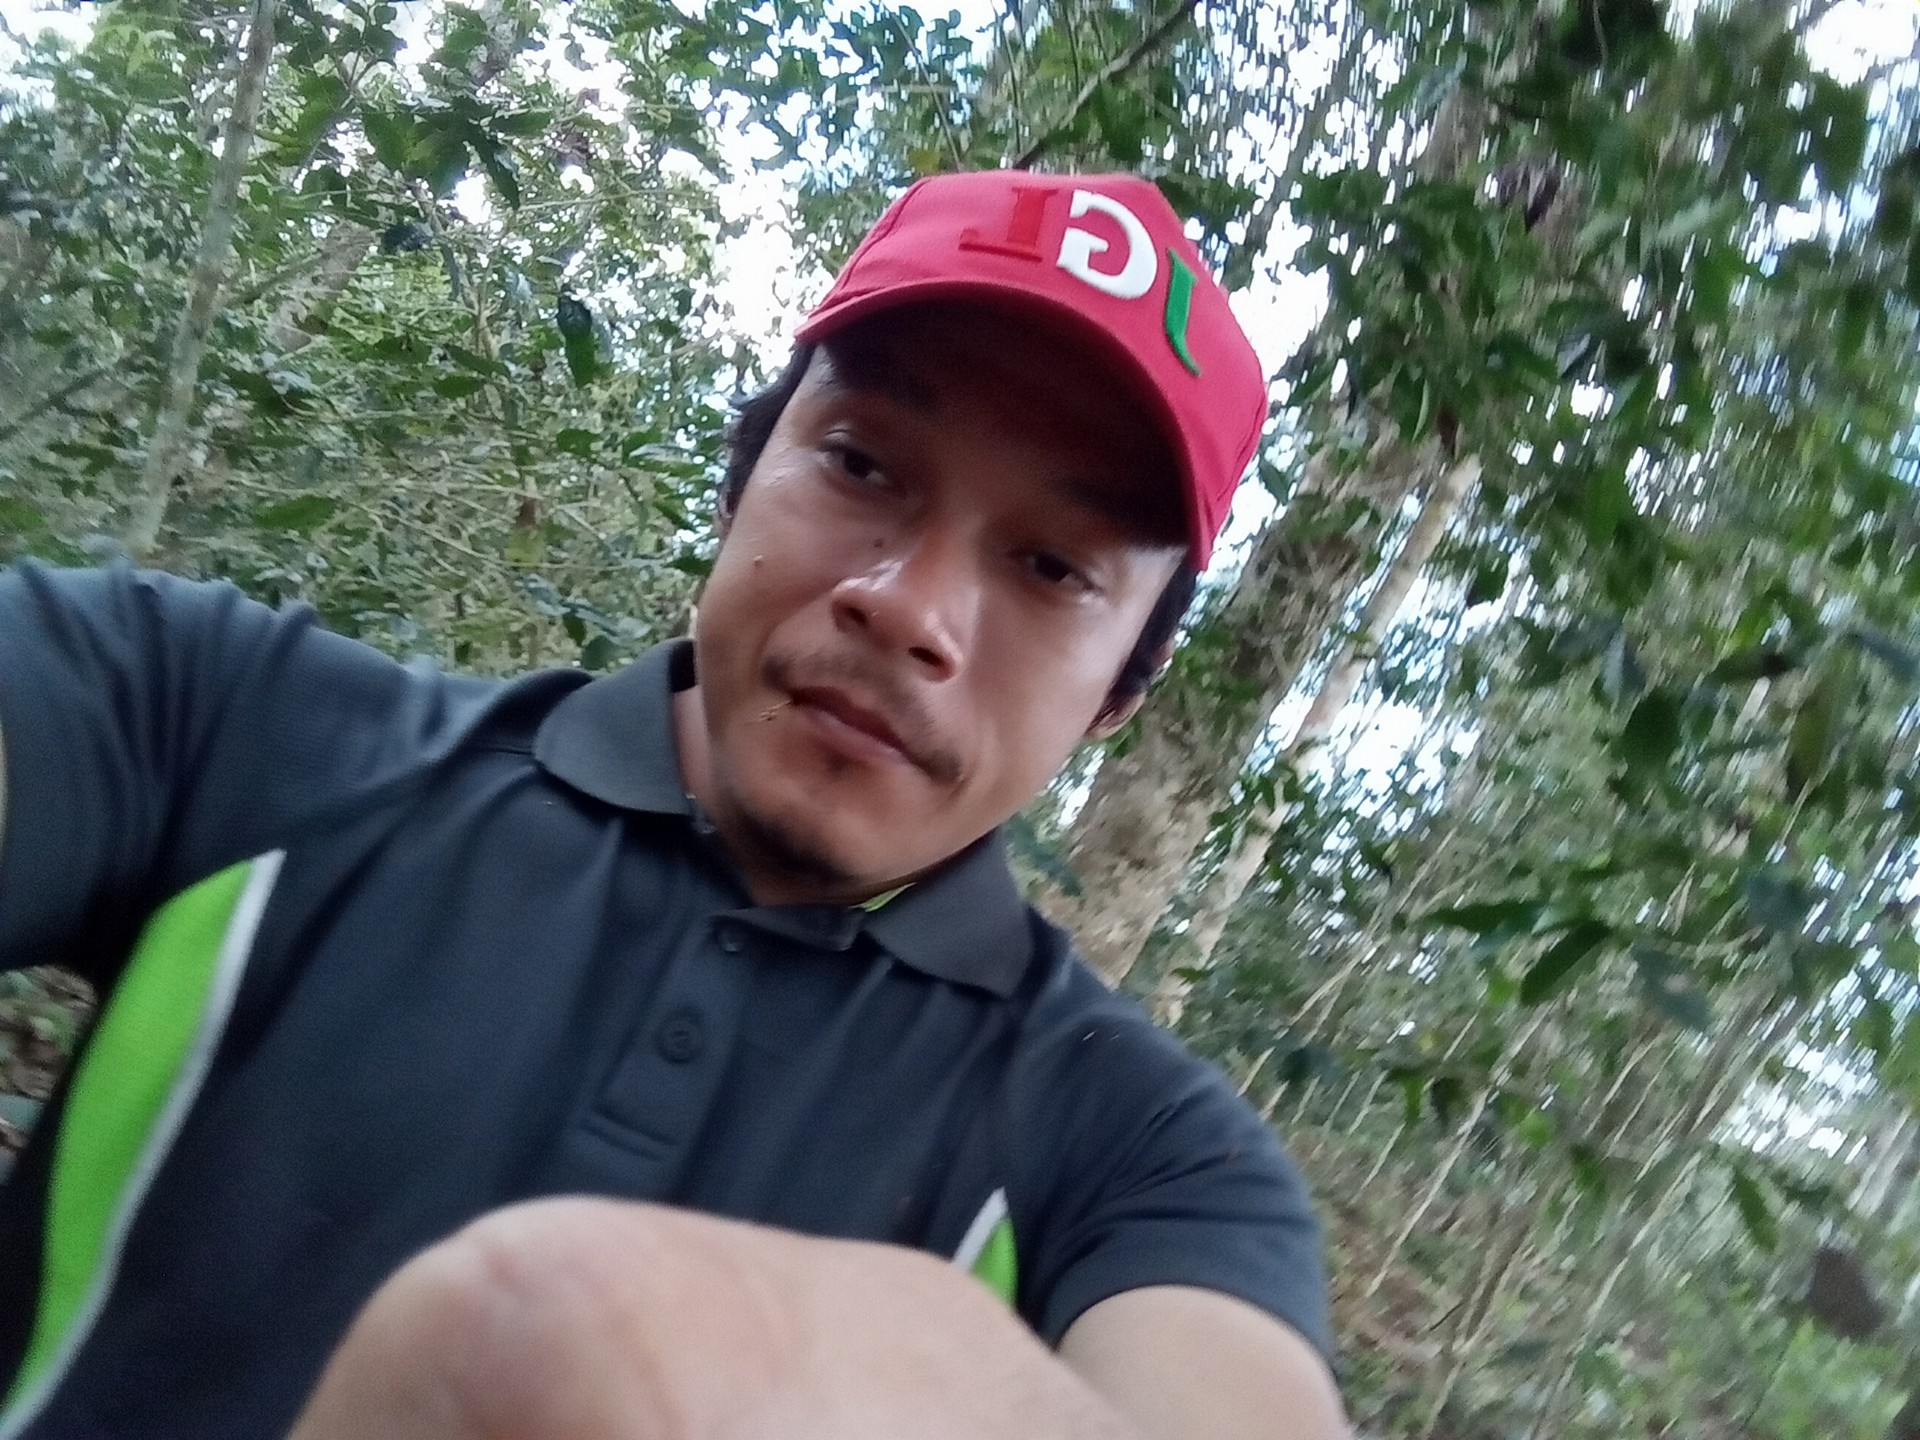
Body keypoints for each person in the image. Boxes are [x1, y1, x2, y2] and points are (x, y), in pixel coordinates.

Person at [0, 170, 1347, 1439]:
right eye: (863, 465)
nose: (911, 610)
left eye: (1052, 566)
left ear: (1123, 687)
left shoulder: (1145, 1159)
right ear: (744, 475)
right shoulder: (219, 721)